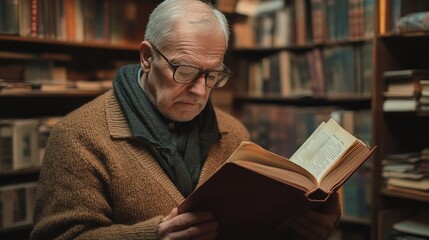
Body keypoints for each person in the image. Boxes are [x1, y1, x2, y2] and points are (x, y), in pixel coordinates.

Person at [30, 0, 341, 239]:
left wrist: (299, 228)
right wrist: (152, 236)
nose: (199, 90)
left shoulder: (233, 133)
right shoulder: (77, 137)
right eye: (186, 71)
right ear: (147, 57)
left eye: (213, 75)